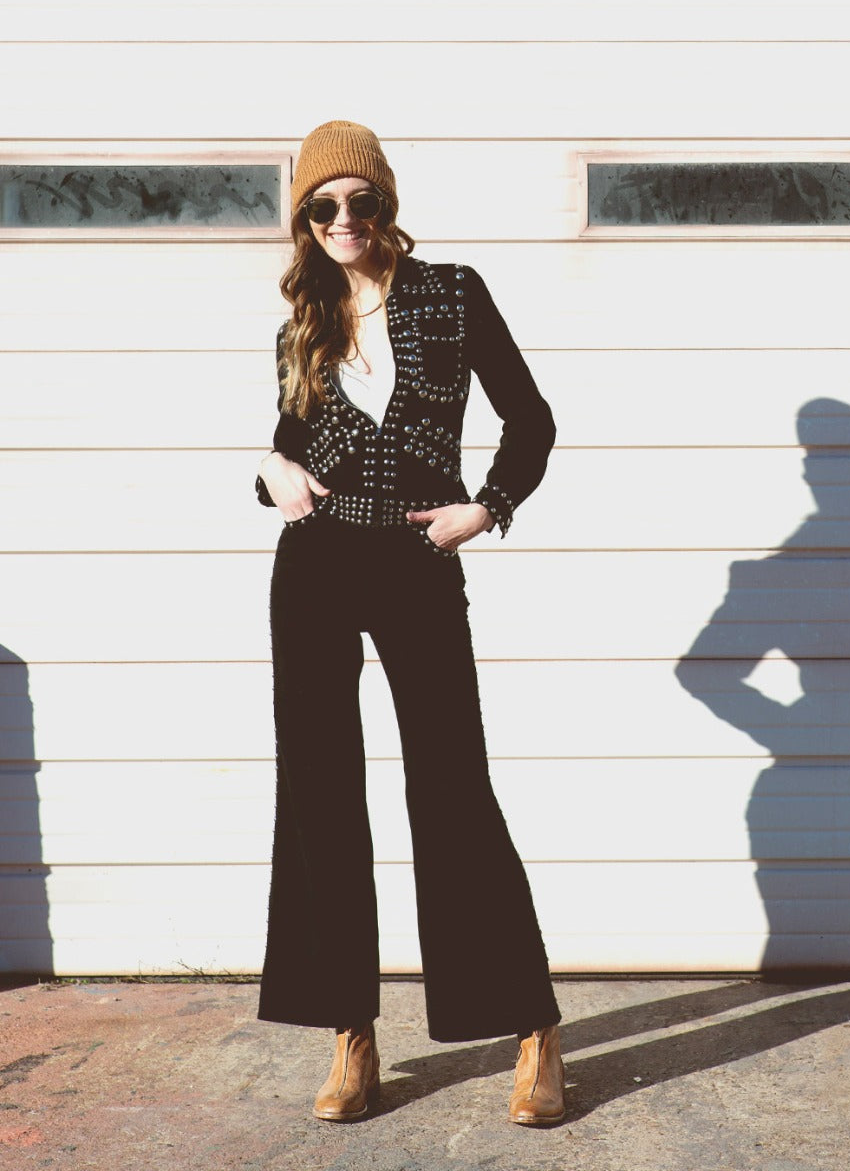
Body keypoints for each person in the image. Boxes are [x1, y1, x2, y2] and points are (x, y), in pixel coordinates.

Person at [254, 120, 564, 1126]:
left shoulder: (451, 293)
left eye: (360, 201)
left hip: (416, 558)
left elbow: (531, 417)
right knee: (320, 795)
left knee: (450, 784)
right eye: (321, 206)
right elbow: (287, 445)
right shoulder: (301, 316)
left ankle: (532, 1027)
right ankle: (351, 1034)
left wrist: (489, 505)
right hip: (316, 562)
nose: (342, 220)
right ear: (303, 218)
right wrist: (268, 473)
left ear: (386, 205)